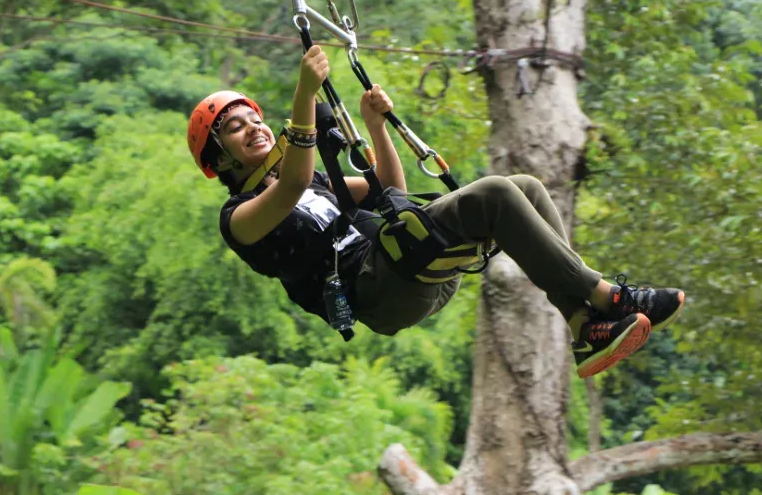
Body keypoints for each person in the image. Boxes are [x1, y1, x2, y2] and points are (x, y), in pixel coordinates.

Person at [186, 46, 686, 378]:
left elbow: (390, 192)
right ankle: (610, 297)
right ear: (221, 158)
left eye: (255, 117)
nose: (254, 126)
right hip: (379, 290)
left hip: (404, 266)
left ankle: (583, 326)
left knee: (525, 188)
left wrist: (374, 126)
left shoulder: (317, 180)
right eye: (235, 127)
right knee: (493, 194)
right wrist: (303, 95)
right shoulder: (237, 218)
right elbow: (290, 183)